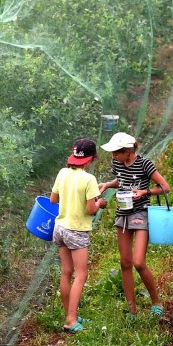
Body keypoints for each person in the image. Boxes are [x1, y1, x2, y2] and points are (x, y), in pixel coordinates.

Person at [98, 131, 170, 317]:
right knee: (125, 263)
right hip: (123, 214)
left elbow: (165, 187)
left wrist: (144, 192)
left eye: (117, 153)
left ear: (128, 151)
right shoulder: (118, 163)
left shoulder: (145, 164)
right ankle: (132, 309)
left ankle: (156, 302)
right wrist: (108, 184)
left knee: (138, 262)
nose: (113, 156)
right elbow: (122, 180)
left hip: (141, 214)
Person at [49, 138, 107, 333]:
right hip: (76, 230)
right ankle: (71, 320)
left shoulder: (63, 172)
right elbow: (91, 209)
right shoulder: (89, 179)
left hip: (60, 228)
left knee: (66, 272)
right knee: (81, 274)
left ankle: (69, 313)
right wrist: (100, 203)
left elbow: (53, 199)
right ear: (90, 159)